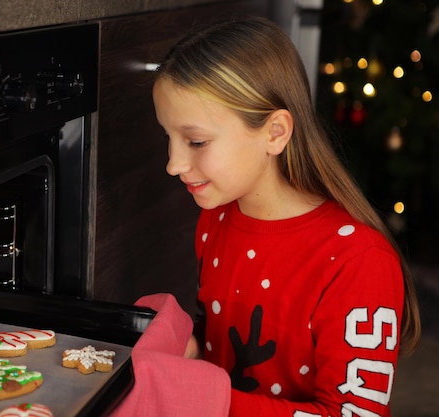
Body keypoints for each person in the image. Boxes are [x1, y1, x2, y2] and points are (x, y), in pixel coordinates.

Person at [151, 15, 421, 416]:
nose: (173, 164)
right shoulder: (217, 221)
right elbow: (221, 344)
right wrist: (187, 346)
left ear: (275, 132)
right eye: (168, 138)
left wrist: (207, 400)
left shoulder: (359, 262)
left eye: (196, 141)